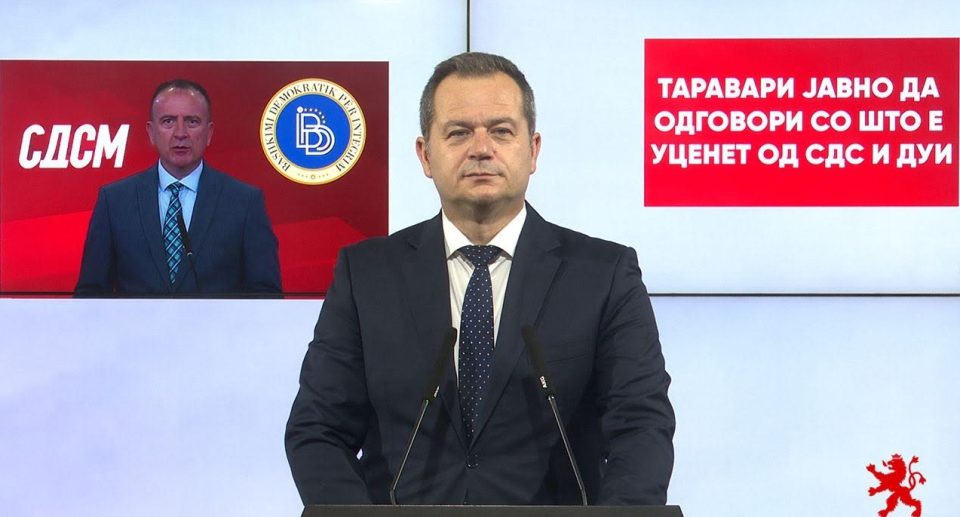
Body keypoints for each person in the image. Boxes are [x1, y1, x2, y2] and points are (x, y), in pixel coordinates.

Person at [285, 52, 674, 505]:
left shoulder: (603, 274)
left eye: (502, 131)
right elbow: (318, 429)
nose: (481, 148)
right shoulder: (366, 275)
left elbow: (641, 426)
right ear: (425, 155)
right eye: (459, 132)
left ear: (533, 150)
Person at [75, 79, 281, 296]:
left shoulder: (244, 202)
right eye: (168, 121)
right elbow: (90, 293)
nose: (180, 133)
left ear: (209, 133)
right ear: (151, 132)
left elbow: (266, 294)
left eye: (192, 122)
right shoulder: (115, 201)